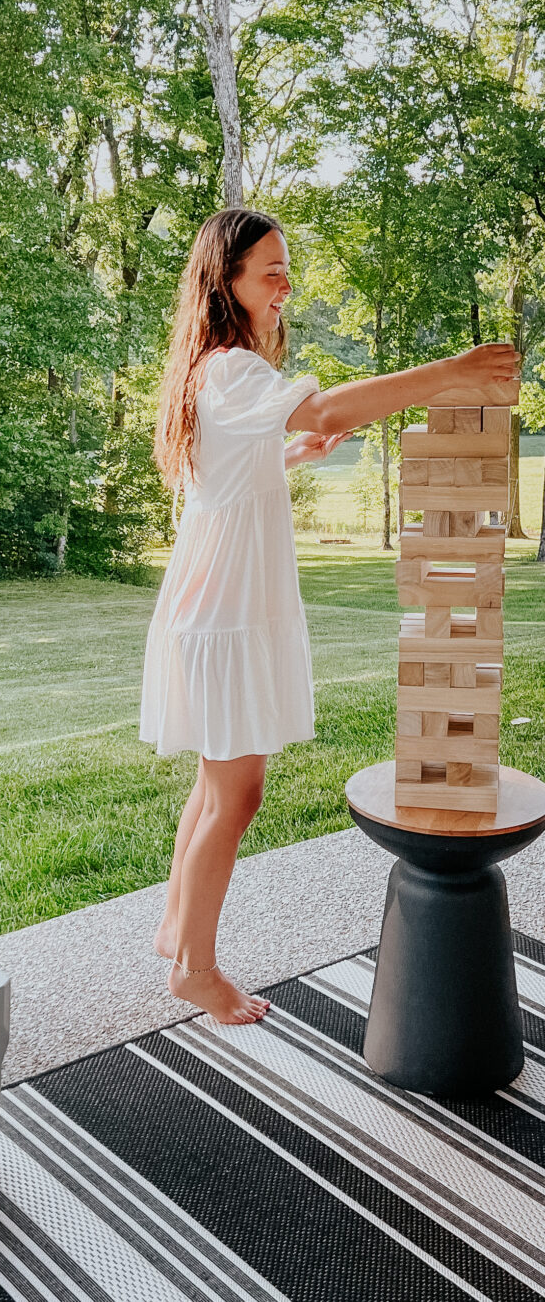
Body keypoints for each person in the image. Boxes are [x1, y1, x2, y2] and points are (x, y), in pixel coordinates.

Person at [139, 205, 520, 1026]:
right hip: (225, 619)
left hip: (214, 613)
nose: (284, 286)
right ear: (226, 281)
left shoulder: (214, 370)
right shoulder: (233, 369)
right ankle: (196, 971)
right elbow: (329, 410)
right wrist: (450, 372)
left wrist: (287, 454)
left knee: (216, 790)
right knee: (235, 797)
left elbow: (229, 476)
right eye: (270, 272)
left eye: (285, 270)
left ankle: (178, 932)